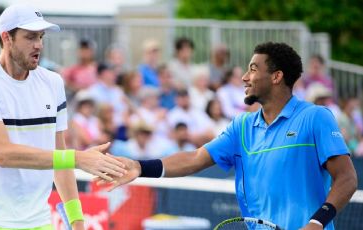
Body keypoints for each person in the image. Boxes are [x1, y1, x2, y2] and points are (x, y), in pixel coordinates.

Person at [97, 42, 357, 230]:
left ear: (277, 76)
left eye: (253, 69)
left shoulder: (315, 117)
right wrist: (141, 167)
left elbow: (346, 178)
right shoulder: (241, 126)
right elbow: (195, 157)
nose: (245, 77)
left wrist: (316, 223)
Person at [0, 4, 125, 230]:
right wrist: (78, 158)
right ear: (7, 38)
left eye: (41, 37)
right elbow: (3, 154)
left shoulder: (53, 83)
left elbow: (59, 161)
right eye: (30, 37)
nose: (39, 45)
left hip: (39, 223)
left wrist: (77, 222)